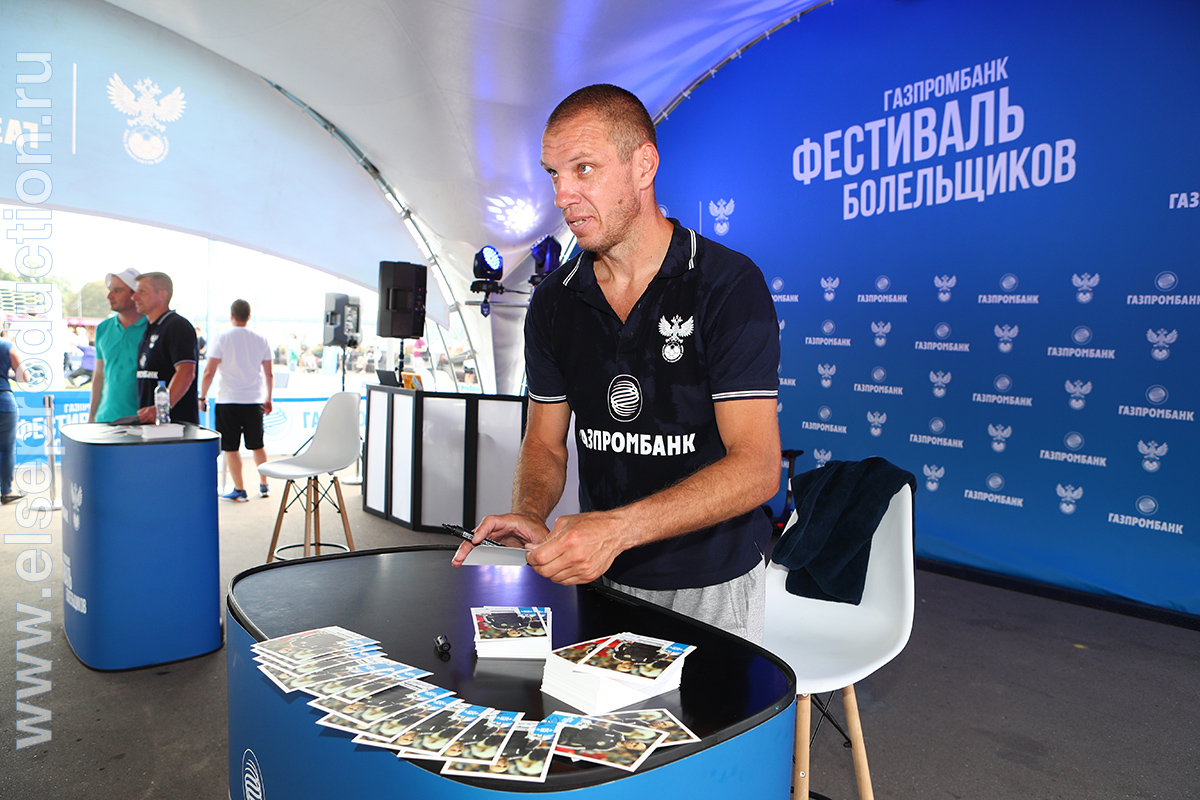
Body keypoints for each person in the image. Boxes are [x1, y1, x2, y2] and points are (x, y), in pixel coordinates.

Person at [454, 85, 781, 642]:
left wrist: (617, 529)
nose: (563, 195)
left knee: (705, 704)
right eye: (554, 174)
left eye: (583, 168)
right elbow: (544, 443)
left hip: (709, 579)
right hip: (598, 575)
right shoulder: (554, 301)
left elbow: (757, 467)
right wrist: (530, 511)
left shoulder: (727, 284)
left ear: (644, 166)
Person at [199, 299, 274, 501]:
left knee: (230, 448)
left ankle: (240, 490)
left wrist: (202, 396)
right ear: (249, 317)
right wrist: (268, 398)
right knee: (257, 445)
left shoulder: (221, 337)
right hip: (254, 400)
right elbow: (269, 374)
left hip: (228, 400)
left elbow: (209, 371)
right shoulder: (261, 338)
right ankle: (264, 485)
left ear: (231, 316)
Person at [133, 272, 200, 424]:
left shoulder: (177, 326)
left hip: (176, 427)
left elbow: (186, 371)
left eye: (142, 292)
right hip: (152, 425)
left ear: (162, 295)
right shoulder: (150, 329)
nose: (134, 297)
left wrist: (161, 409)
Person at [89, 268, 148, 423]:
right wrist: (92, 416)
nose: (109, 296)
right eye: (110, 290)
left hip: (142, 422)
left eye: (117, 291)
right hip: (105, 420)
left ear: (135, 295)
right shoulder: (103, 328)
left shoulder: (153, 328)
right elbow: (99, 375)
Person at [1, 334, 27, 504]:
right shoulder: (7, 346)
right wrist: (8, 374)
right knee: (6, 449)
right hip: (3, 401)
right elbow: (24, 377)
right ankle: (6, 491)